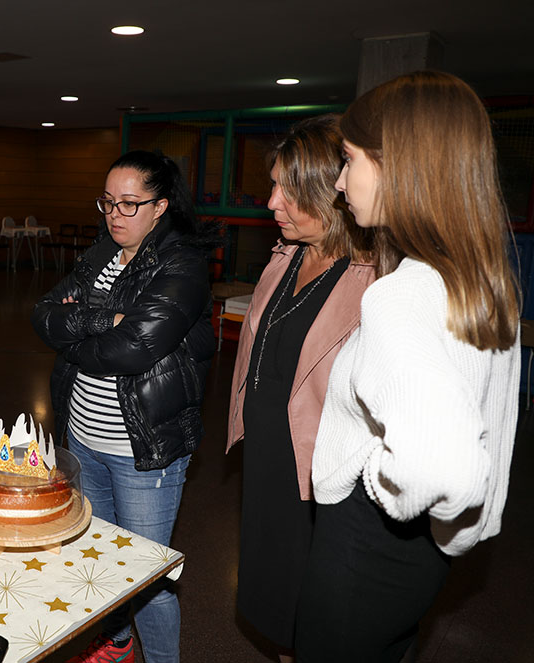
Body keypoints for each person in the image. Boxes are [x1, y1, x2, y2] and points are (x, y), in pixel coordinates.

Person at [295, 71, 521, 662]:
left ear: (399, 163)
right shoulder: (480, 283)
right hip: (420, 559)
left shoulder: (403, 294)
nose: (341, 182)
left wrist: (381, 487)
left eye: (348, 160)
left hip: (365, 548)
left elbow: (447, 466)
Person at [31, 150, 221, 663]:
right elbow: (42, 315)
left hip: (143, 448)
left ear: (160, 207)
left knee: (146, 576)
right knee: (97, 557)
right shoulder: (100, 255)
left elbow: (134, 349)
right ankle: (114, 639)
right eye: (108, 202)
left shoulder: (182, 264)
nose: (115, 214)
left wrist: (82, 328)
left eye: (130, 204)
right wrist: (101, 320)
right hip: (83, 439)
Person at [226, 115, 374, 662]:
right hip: (268, 461)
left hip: (318, 472)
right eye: (272, 186)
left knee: (319, 605)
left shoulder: (373, 277)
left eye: (289, 191)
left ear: (330, 193)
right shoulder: (285, 257)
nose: (272, 204)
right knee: (276, 592)